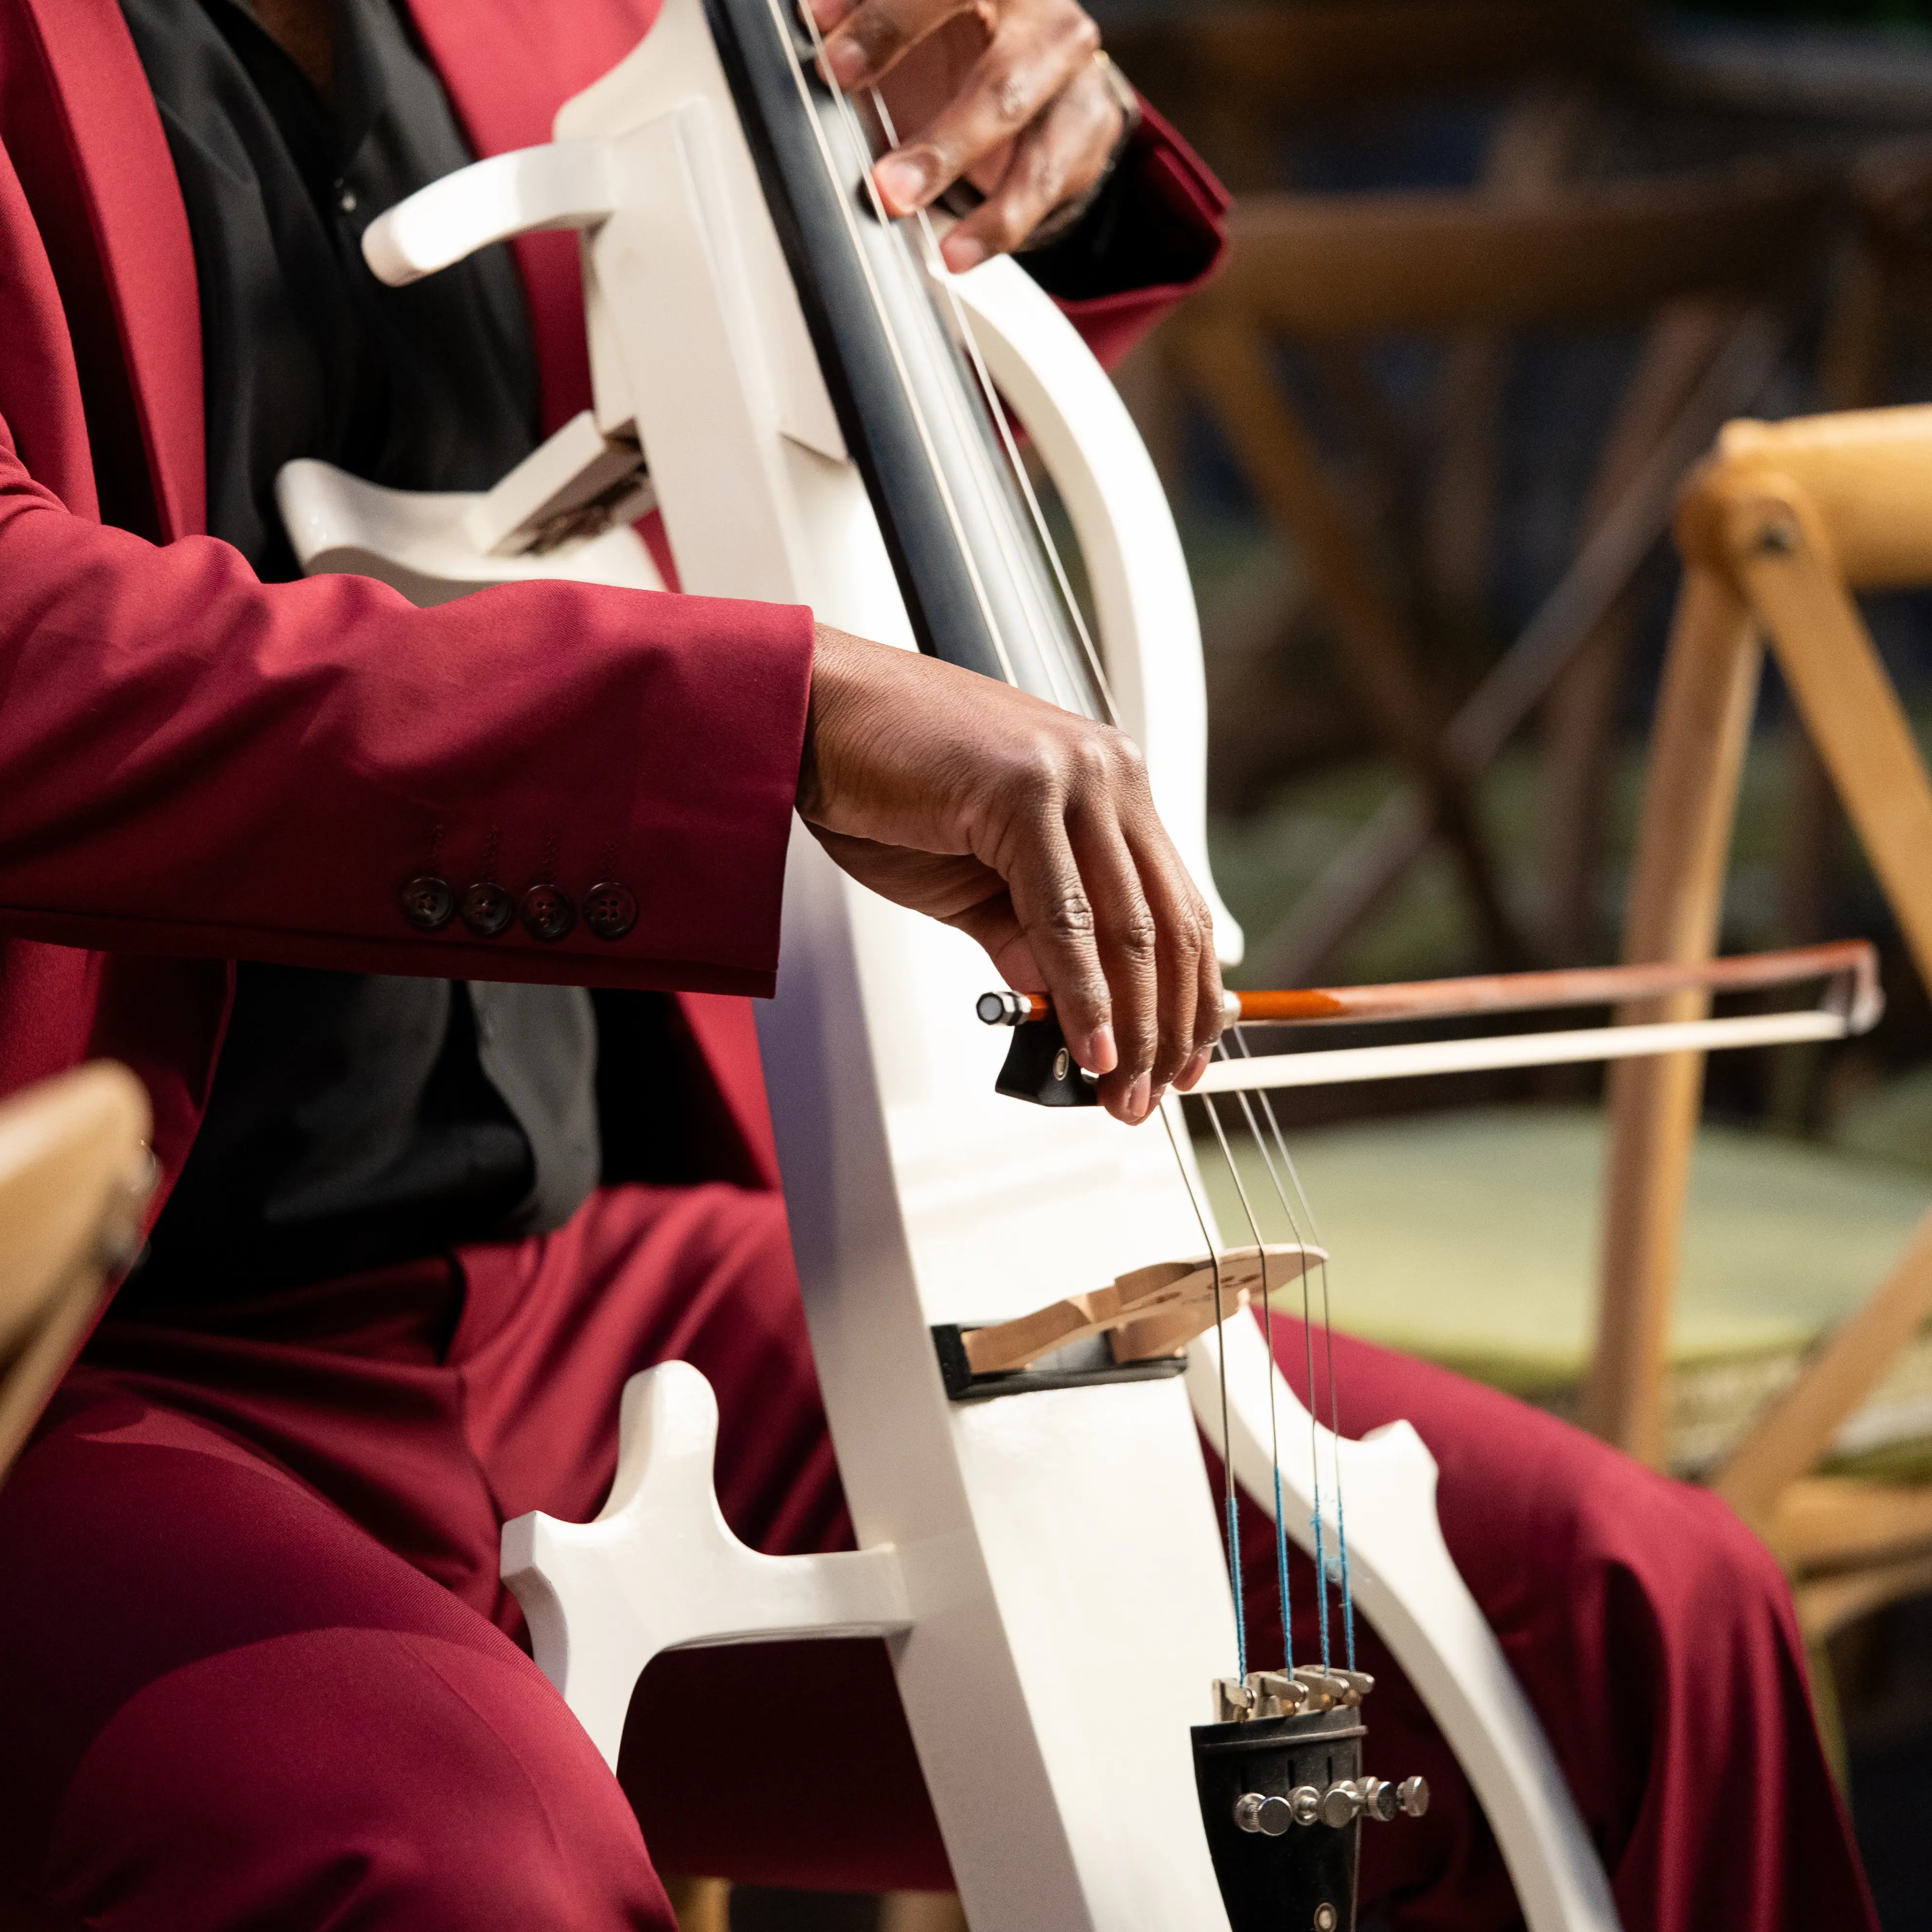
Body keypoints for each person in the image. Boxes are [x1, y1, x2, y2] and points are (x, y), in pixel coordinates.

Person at [0, 1, 1876, 1928]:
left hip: (576, 1284)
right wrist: (771, 723)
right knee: (459, 1873)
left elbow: (772, 441)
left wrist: (988, 183)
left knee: (1639, 1629)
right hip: (88, 1354)